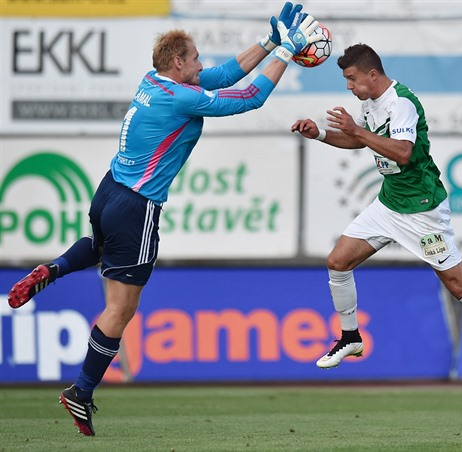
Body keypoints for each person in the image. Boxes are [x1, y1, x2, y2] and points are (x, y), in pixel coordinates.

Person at [7, 3, 321, 436]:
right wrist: (288, 51)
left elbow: (226, 76)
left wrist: (269, 42)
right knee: (121, 308)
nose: (201, 64)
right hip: (137, 206)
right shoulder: (182, 97)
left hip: (109, 189)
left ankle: (53, 269)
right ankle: (80, 391)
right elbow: (250, 97)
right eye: (195, 58)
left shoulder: (155, 82)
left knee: (98, 248)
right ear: (179, 63)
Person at [291, 43, 462, 393]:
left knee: (458, 284)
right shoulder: (369, 103)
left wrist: (357, 131)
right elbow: (358, 142)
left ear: (372, 74)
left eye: (351, 78)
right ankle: (350, 336)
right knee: (338, 261)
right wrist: (317, 133)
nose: (349, 86)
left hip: (422, 211)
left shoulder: (402, 102)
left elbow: (404, 153)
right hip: (389, 204)